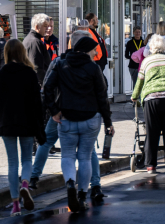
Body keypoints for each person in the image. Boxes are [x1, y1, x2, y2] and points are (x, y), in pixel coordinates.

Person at [43, 35, 113, 214]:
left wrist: (54, 110)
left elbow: (47, 89)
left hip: (66, 117)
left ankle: (69, 183)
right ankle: (82, 195)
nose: (97, 52)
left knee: (67, 156)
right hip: (90, 119)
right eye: (94, 49)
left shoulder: (61, 64)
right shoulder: (93, 68)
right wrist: (108, 122)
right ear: (87, 50)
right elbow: (102, 96)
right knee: (85, 157)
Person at [0, 39, 44, 215]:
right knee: (27, 159)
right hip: (27, 123)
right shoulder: (29, 73)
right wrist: (40, 124)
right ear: (23, 52)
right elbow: (37, 103)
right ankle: (25, 184)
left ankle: (15, 205)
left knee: (12, 163)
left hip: (7, 123)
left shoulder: (1, 73)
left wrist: (1, 117)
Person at [130, 34, 165, 175]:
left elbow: (140, 80)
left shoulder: (147, 61)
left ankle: (151, 165)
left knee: (152, 130)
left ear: (151, 47)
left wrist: (134, 96)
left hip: (152, 97)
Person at [23, 14, 53, 86]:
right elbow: (37, 68)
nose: (47, 28)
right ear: (36, 27)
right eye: (45, 25)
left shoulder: (33, 39)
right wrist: (43, 86)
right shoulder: (34, 42)